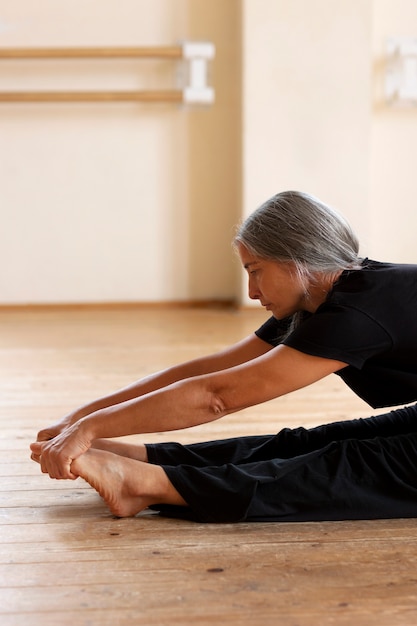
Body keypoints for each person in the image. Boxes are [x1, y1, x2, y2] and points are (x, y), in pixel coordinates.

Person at [30, 190, 417, 523]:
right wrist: (82, 419)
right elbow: (213, 369)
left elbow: (216, 397)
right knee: (311, 444)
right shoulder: (331, 295)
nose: (251, 291)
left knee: (353, 466)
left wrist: (91, 429)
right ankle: (147, 460)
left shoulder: (357, 313)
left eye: (256, 271)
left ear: (296, 261)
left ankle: (146, 485)